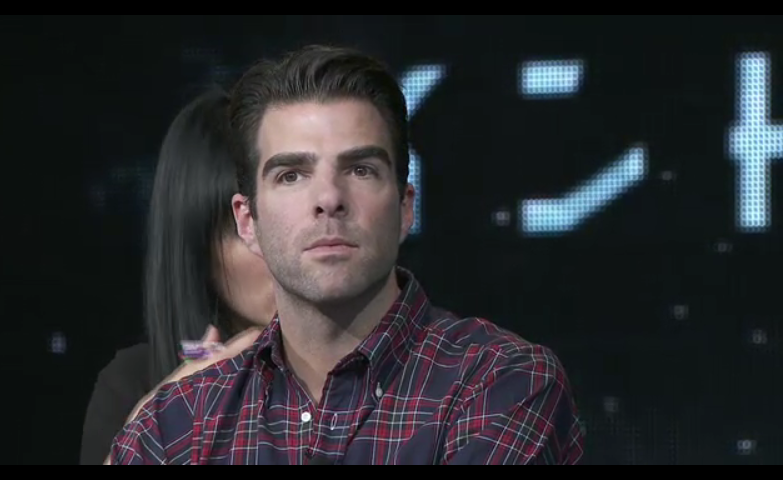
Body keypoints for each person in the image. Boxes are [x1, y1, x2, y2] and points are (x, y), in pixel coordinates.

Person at [110, 45, 585, 465]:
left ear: (405, 208)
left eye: (359, 169)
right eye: (291, 175)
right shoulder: (176, 424)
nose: (329, 199)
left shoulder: (502, 384)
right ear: (247, 220)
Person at [79, 88, 276, 465]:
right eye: (242, 227)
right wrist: (158, 424)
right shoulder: (132, 384)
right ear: (196, 246)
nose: (280, 249)